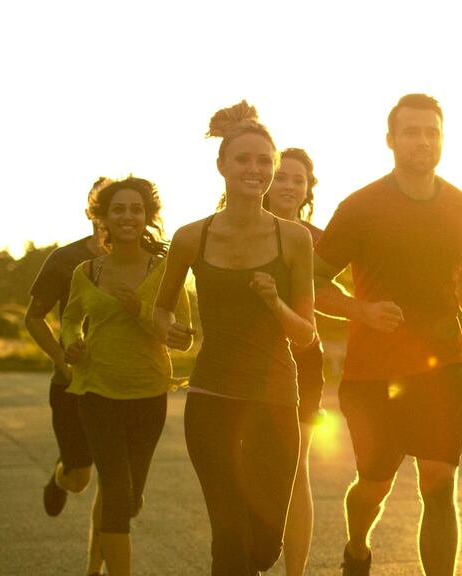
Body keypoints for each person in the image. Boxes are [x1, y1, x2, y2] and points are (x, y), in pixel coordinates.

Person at [313, 93, 462, 576]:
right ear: (390, 140)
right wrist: (361, 310)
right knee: (374, 485)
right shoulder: (360, 207)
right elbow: (311, 281)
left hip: (442, 366)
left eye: (432, 132)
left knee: (438, 484)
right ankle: (357, 546)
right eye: (411, 132)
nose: (423, 140)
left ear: (443, 138)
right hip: (373, 372)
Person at [154, 100, 315, 576]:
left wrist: (275, 303)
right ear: (221, 165)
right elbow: (161, 309)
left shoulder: (294, 239)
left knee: (263, 547)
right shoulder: (191, 238)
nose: (254, 169)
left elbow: (306, 334)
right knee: (230, 535)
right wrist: (168, 329)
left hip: (275, 399)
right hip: (212, 399)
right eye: (242, 159)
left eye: (264, 161)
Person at [61, 176, 192, 576]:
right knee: (117, 494)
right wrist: (72, 343)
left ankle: (96, 558)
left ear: (147, 216)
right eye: (118, 209)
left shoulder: (166, 271)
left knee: (129, 500)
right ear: (103, 217)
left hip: (148, 393)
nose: (128, 216)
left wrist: (141, 310)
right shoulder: (86, 271)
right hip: (97, 391)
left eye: (136, 209)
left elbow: (182, 336)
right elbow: (70, 320)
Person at [25, 176, 111, 576]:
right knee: (81, 480)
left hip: (122, 385)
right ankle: (61, 477)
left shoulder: (144, 259)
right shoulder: (65, 259)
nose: (115, 217)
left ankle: (94, 570)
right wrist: (62, 361)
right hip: (71, 384)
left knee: (116, 486)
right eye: (106, 208)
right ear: (92, 213)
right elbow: (33, 317)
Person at [264, 147, 325, 576]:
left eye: (298, 180)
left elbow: (332, 297)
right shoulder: (239, 230)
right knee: (251, 465)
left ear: (308, 189)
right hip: (249, 361)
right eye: (281, 177)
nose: (288, 186)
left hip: (304, 360)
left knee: (297, 467)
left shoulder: (319, 240)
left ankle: (295, 573)